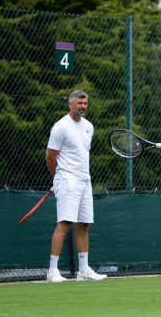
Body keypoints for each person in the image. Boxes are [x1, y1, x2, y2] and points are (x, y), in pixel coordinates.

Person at [45, 90, 107, 283]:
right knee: (64, 224)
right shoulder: (60, 127)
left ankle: (83, 270)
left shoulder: (89, 126)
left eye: (85, 103)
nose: (83, 106)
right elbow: (50, 157)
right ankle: (52, 271)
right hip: (67, 180)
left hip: (84, 180)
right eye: (79, 103)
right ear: (70, 104)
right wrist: (58, 179)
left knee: (83, 225)